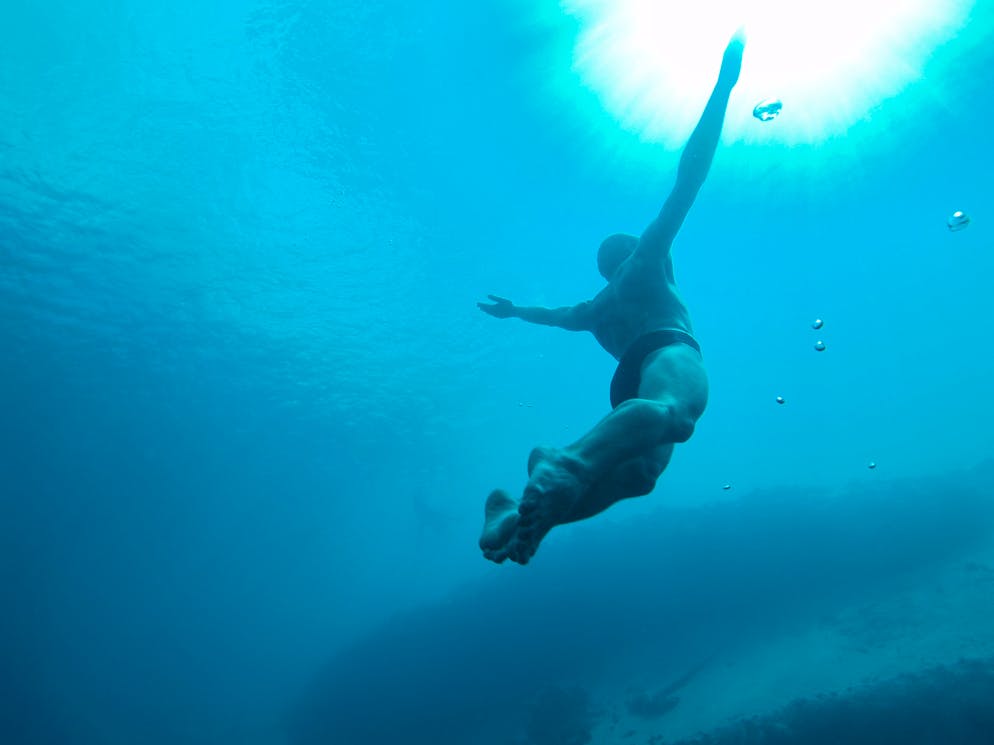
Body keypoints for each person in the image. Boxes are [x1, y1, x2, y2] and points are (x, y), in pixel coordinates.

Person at [477, 30, 745, 565]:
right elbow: (687, 182)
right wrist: (723, 87)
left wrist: (512, 311)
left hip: (625, 388)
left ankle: (519, 515)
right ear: (634, 252)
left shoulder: (595, 311)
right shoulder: (647, 263)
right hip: (667, 353)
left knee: (641, 475)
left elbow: (551, 316)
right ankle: (563, 463)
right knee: (676, 415)